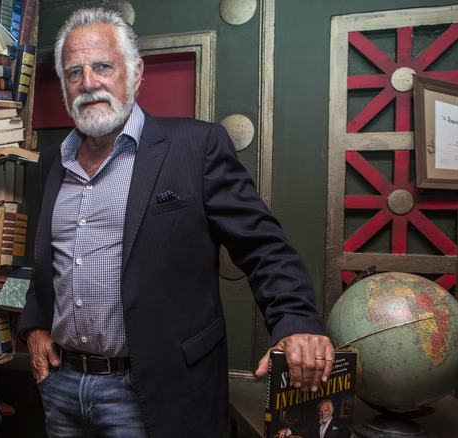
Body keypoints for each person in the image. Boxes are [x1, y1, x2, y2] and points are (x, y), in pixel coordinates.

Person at [18, 7, 335, 437]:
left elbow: (264, 248)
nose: (88, 83)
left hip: (155, 390)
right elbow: (48, 257)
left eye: (103, 67)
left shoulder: (196, 146)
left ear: (135, 72)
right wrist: (35, 324)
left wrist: (296, 323)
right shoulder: (52, 161)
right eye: (74, 73)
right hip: (63, 386)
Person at [275, 399, 350, 438]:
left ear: (332, 410)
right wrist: (287, 430)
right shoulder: (314, 424)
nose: (323, 414)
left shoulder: (341, 425)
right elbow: (301, 431)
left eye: (326, 411)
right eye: (321, 411)